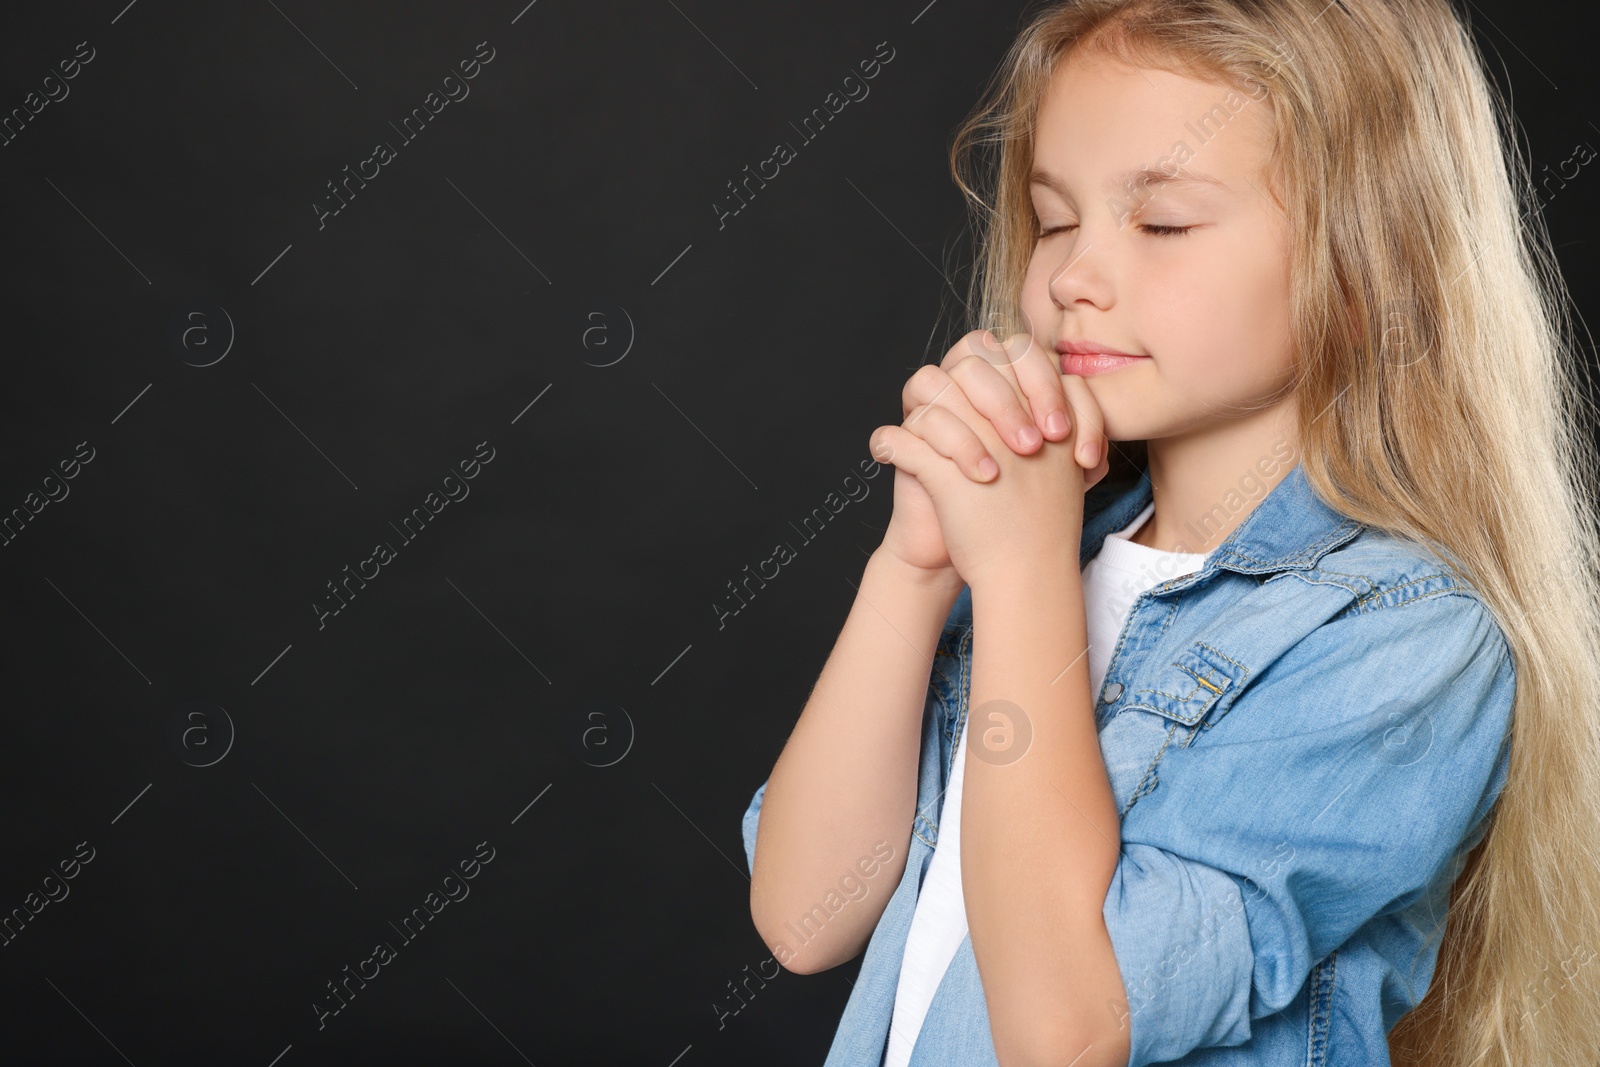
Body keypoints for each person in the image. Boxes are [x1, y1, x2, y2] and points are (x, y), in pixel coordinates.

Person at [740, 0, 1600, 1064]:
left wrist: (1016, 572)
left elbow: (1067, 1024)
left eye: (1161, 223)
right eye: (1055, 219)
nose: (1069, 278)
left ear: (1367, 252)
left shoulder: (1408, 638)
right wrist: (914, 566)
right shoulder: (1040, 551)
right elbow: (802, 915)